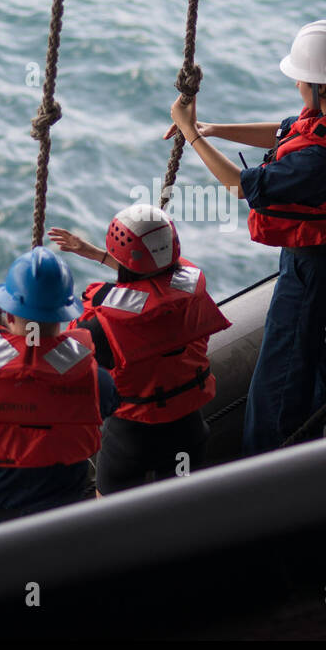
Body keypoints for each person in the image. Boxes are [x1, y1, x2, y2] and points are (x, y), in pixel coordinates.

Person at [165, 20, 326, 453]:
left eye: (302, 78)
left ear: (321, 88)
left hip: (315, 271)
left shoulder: (318, 162)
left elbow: (242, 186)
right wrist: (216, 129)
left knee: (279, 382)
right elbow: (288, 130)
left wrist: (191, 133)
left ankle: (268, 475)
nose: (295, 83)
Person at [0, 246, 118, 531]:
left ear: (9, 316)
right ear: (63, 315)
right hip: (62, 524)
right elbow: (110, 403)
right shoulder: (96, 382)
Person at [48, 205, 231, 493]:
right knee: (182, 507)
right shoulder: (192, 293)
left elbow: (56, 367)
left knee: (112, 516)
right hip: (188, 428)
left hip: (130, 439)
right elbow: (156, 283)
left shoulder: (100, 326)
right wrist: (97, 254)